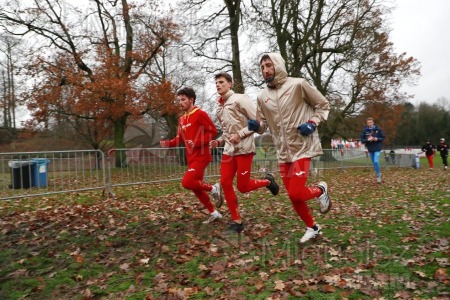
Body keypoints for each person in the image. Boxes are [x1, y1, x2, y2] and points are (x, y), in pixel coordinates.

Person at [247, 53, 332, 244]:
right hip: (283, 152)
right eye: (262, 67)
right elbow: (263, 126)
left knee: (295, 192)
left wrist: (312, 122)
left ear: (277, 65)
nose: (265, 70)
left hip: (303, 146)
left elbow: (323, 104)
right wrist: (255, 126)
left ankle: (320, 190)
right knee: (294, 197)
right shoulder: (262, 96)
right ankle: (313, 227)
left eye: (269, 65)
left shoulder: (298, 84)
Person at [209, 72, 280, 234]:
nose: (218, 85)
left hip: (244, 148)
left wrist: (240, 134)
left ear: (230, 84)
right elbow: (227, 131)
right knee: (225, 183)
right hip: (228, 150)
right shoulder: (219, 107)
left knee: (243, 186)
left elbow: (260, 123)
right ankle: (237, 221)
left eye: (221, 82)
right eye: (216, 83)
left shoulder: (240, 99)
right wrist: (219, 141)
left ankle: (268, 181)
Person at [160, 87, 224, 223]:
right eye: (179, 100)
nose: (180, 102)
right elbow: (179, 139)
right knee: (195, 187)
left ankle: (214, 188)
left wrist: (196, 142)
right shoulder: (181, 120)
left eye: (183, 100)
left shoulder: (200, 114)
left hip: (202, 156)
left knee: (187, 182)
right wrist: (166, 143)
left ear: (191, 100)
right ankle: (214, 213)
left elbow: (212, 131)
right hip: (191, 158)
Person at [359, 117, 385, 183]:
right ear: (367, 123)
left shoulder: (378, 129)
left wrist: (377, 139)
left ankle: (378, 176)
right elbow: (362, 140)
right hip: (370, 148)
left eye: (370, 122)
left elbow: (382, 138)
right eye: (368, 123)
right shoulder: (365, 131)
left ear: (373, 122)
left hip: (377, 148)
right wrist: (367, 140)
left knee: (376, 161)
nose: (369, 124)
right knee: (374, 163)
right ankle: (379, 174)